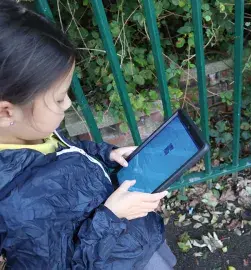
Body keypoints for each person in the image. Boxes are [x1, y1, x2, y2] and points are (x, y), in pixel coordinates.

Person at [0, 0, 176, 269]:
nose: (68, 104)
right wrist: (112, 218)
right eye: (59, 99)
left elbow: (67, 154)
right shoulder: (15, 206)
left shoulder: (29, 133)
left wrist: (107, 154)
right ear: (6, 112)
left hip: (135, 242)